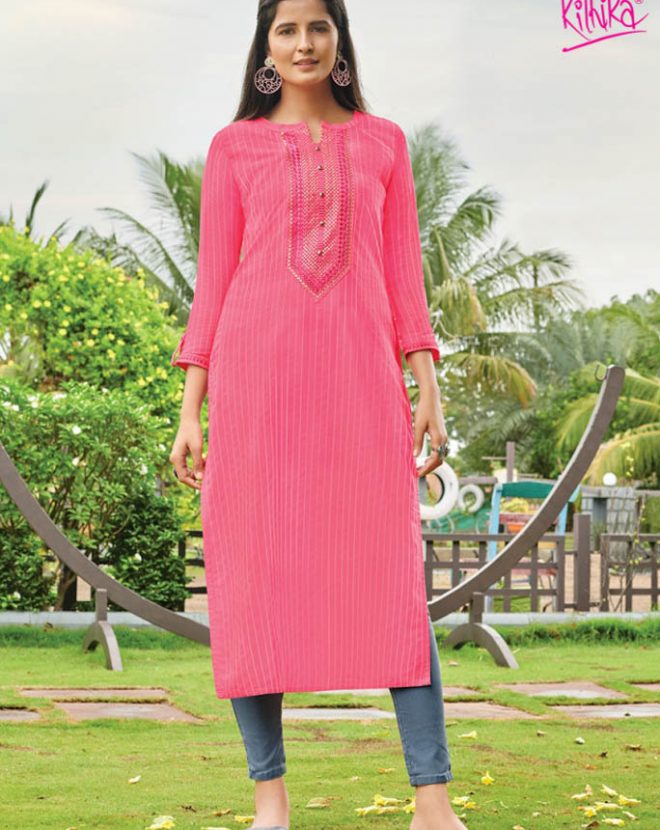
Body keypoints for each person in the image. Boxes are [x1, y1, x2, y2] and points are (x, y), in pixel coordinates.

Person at [169, 2, 467, 829]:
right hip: (255, 388)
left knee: (393, 581)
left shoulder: (384, 143)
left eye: (318, 27)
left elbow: (404, 276)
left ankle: (433, 802)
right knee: (251, 581)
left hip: (361, 386)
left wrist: (427, 386)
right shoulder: (233, 148)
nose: (304, 43)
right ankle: (270, 799)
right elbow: (212, 285)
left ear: (339, 39)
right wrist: (191, 410)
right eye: (287, 29)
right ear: (266, 48)